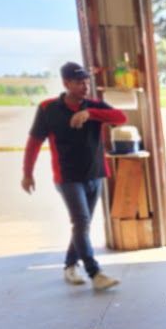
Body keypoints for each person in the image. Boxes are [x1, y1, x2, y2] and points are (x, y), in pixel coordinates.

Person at [22, 62, 125, 291]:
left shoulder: (94, 106)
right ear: (66, 83)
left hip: (95, 174)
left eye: (87, 81)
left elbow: (120, 118)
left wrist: (90, 114)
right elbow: (34, 143)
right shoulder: (48, 108)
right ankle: (95, 273)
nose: (85, 86)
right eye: (79, 82)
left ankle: (70, 264)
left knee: (82, 224)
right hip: (67, 177)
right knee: (81, 221)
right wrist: (27, 174)